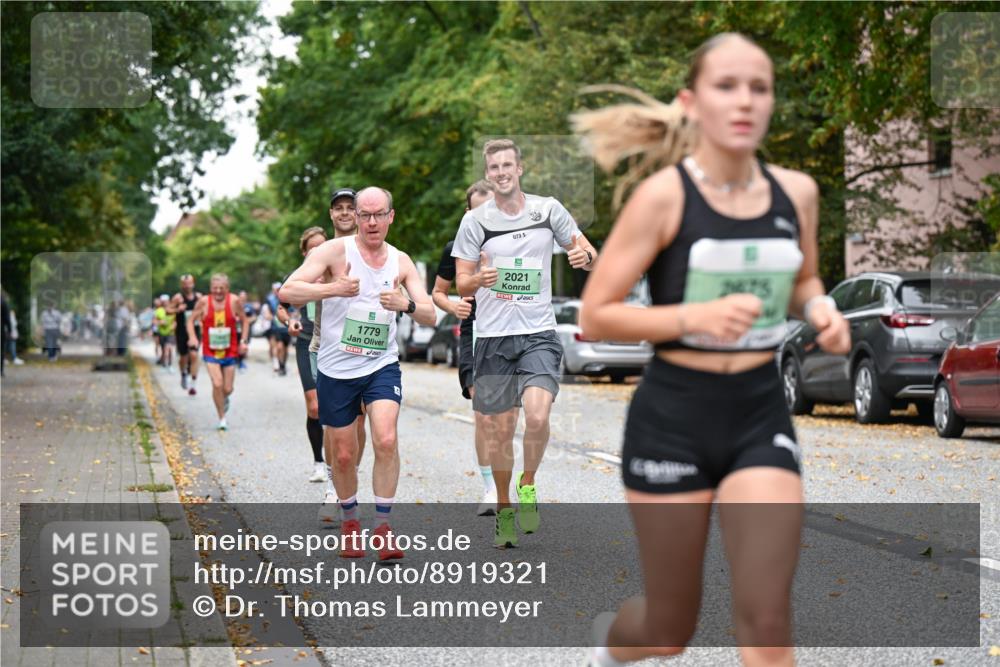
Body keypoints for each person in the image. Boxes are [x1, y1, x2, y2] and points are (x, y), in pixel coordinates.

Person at [572, 33, 851, 667]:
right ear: (692, 102)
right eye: (727, 86)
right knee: (670, 630)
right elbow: (598, 313)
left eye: (760, 87)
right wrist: (695, 316)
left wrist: (819, 309)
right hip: (673, 418)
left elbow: (802, 277)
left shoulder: (796, 192)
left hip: (758, 413)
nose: (745, 100)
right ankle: (608, 650)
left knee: (767, 614)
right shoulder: (665, 197)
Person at [453, 139, 597, 548]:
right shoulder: (475, 222)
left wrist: (582, 257)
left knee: (536, 416)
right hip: (494, 338)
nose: (500, 172)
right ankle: (504, 510)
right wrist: (477, 280)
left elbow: (587, 251)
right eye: (493, 167)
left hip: (538, 332)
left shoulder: (547, 209)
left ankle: (528, 482)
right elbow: (462, 280)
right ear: (487, 174)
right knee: (499, 433)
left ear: (520, 168)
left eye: (507, 165)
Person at [280, 186, 436, 561]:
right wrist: (333, 288)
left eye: (377, 214)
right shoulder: (333, 252)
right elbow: (288, 290)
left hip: (381, 364)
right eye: (364, 215)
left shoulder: (400, 260)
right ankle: (351, 522)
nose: (370, 222)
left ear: (390, 217)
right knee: (345, 455)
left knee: (385, 439)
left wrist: (407, 303)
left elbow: (430, 313)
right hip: (336, 368)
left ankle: (382, 527)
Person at [431, 179, 497, 515]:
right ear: (468, 212)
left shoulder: (516, 243)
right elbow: (438, 293)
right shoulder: (455, 248)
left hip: (511, 330)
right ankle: (490, 488)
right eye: (477, 210)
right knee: (483, 413)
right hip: (474, 331)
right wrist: (452, 307)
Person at [311, 189, 369, 516]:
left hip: (367, 347)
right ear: (331, 214)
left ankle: (348, 481)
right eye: (339, 208)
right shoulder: (323, 252)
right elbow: (299, 288)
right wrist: (328, 284)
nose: (345, 213)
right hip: (330, 347)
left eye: (351, 208)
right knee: (336, 424)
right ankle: (334, 487)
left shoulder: (373, 247)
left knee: (359, 423)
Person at [187, 273, 249, 431]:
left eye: (222, 288)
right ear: (210, 289)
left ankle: (224, 398)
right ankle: (222, 418)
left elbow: (244, 320)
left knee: (228, 388)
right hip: (211, 351)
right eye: (215, 288)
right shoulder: (203, 302)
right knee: (217, 383)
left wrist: (243, 341)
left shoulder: (234, 301)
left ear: (227, 289)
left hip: (230, 350)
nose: (218, 291)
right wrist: (193, 337)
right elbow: (190, 320)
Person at [170, 274, 203, 395]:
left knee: (194, 355)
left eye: (189, 283)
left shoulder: (199, 297)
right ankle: (183, 373)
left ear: (193, 284)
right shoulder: (178, 298)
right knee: (183, 357)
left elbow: (205, 310)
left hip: (195, 330)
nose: (187, 286)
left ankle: (193, 384)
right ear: (181, 285)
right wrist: (177, 309)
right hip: (181, 331)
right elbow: (168, 310)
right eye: (185, 284)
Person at [266, 282, 290, 375]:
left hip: (286, 327)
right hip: (276, 328)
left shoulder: (287, 299)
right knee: (279, 347)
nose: (278, 291)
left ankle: (283, 365)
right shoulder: (270, 300)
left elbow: (293, 311)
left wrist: (288, 318)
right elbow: (267, 312)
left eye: (280, 289)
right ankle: (279, 365)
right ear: (274, 291)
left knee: (286, 348)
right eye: (276, 290)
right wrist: (271, 316)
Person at [153, 295, 175, 370]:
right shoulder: (159, 311)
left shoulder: (172, 310)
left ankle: (170, 364)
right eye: (163, 301)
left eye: (166, 301)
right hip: (161, 333)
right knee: (163, 349)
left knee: (169, 348)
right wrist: (160, 322)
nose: (165, 303)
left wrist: (174, 325)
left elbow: (176, 320)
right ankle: (164, 363)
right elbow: (154, 321)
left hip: (171, 333)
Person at [237, 290, 256, 373]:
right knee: (237, 344)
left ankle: (241, 361)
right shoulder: (235, 306)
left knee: (244, 345)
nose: (242, 298)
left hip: (246, 330)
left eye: (244, 297)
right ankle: (237, 361)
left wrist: (246, 320)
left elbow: (254, 317)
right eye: (241, 297)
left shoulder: (249, 306)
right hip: (236, 329)